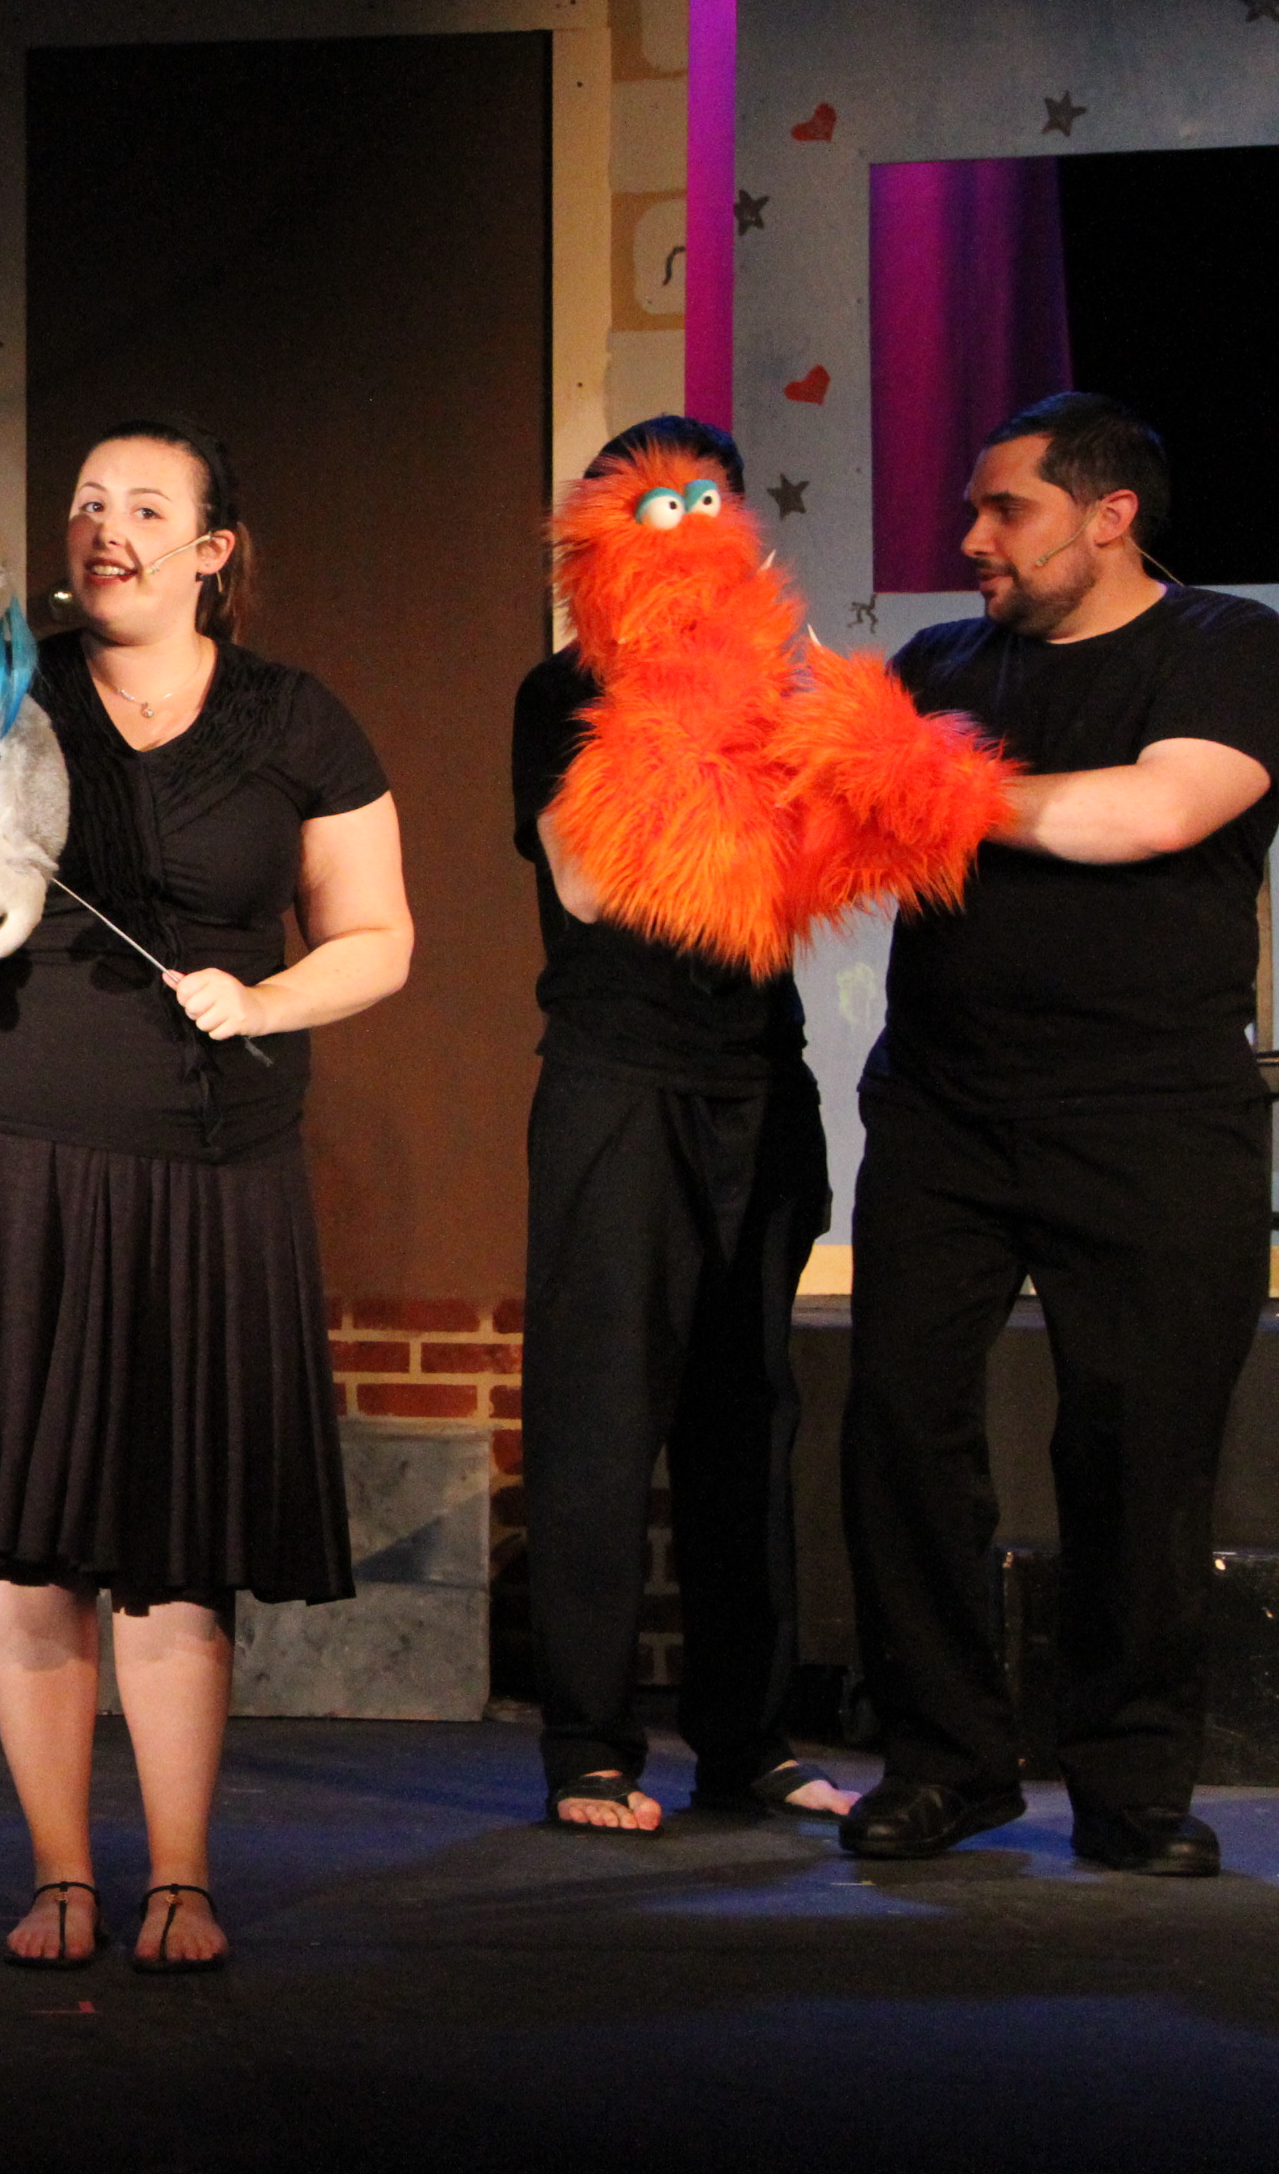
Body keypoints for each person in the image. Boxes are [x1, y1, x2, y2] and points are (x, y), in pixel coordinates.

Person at [0, 420, 413, 1970]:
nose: (107, 527)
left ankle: (179, 1873)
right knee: (24, 1531)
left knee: (177, 1537)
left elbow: (379, 935)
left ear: (214, 551)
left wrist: (268, 998)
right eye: (89, 503)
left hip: (202, 1165)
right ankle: (60, 1872)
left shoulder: (296, 719)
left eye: (147, 507)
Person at [839, 393, 1279, 1874]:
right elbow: (848, 820)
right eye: (973, 508)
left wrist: (938, 789)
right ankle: (944, 1762)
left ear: (1110, 516)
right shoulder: (939, 666)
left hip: (1152, 1123)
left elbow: (1152, 814)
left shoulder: (1224, 645)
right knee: (901, 1428)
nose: (972, 538)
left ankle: (1132, 1785)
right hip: (946, 1114)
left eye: (1006, 509)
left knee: (1136, 1453)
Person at [513, 416, 858, 1834]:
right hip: (619, 1083)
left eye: (707, 508)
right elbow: (592, 883)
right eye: (654, 509)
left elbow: (829, 855)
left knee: (748, 1416)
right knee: (600, 1411)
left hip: (757, 1081)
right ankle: (589, 1745)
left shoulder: (783, 685)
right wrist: (679, 708)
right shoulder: (565, 692)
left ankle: (748, 1739)